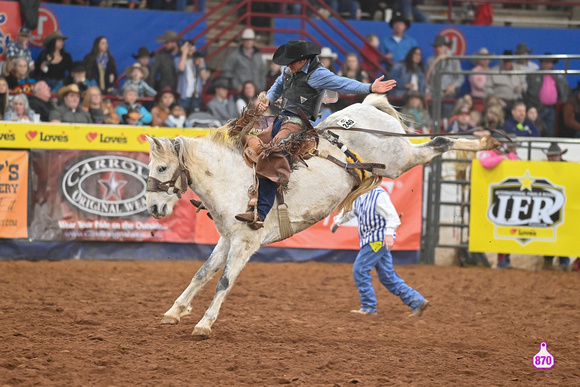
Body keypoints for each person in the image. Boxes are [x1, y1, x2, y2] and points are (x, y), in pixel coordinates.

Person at [234, 39, 396, 229]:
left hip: (297, 124)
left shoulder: (317, 74)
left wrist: (369, 88)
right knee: (246, 145)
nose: (287, 65)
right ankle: (232, 199)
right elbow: (278, 84)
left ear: (303, 60)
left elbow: (341, 84)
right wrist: (269, 99)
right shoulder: (289, 70)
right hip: (280, 120)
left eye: (291, 61)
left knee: (271, 155)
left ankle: (260, 213)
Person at [331, 186, 430, 316]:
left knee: (360, 269)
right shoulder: (358, 195)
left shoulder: (378, 195)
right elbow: (350, 211)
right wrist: (339, 221)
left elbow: (392, 216)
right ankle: (416, 301)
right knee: (387, 276)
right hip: (375, 240)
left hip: (377, 241)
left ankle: (368, 307)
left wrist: (389, 234)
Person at [477, 130, 518, 269]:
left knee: (506, 227)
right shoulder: (489, 153)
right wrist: (503, 159)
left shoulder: (511, 156)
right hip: (489, 197)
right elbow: (484, 162)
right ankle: (499, 259)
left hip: (506, 196)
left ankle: (504, 258)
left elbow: (517, 165)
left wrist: (507, 157)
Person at [540, 142, 571, 271]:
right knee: (549, 231)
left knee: (564, 231)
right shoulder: (543, 169)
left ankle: (564, 260)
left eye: (555, 156)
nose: (552, 158)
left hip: (565, 206)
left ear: (560, 156)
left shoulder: (569, 169)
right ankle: (549, 259)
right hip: (548, 206)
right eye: (550, 156)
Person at [524, 54, 569, 137]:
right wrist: (531, 104)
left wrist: (562, 100)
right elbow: (528, 90)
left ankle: (549, 147)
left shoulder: (558, 75)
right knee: (536, 127)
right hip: (537, 107)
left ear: (553, 64)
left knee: (550, 129)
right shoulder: (533, 75)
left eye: (549, 62)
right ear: (541, 63)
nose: (547, 64)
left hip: (552, 107)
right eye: (545, 62)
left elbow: (565, 88)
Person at [485, 50, 526, 114]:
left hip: (515, 102)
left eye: (509, 61)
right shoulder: (494, 70)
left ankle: (519, 124)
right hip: (500, 103)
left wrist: (521, 87)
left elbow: (524, 83)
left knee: (518, 122)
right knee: (501, 121)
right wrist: (497, 100)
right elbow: (487, 88)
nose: (507, 64)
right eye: (505, 61)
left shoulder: (518, 69)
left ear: (512, 61)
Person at [426, 35, 464, 102]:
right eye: (436, 47)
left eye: (440, 46)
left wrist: (453, 86)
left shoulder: (454, 61)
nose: (438, 49)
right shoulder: (430, 61)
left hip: (449, 94)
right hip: (434, 94)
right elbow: (427, 78)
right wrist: (429, 91)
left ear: (446, 47)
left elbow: (461, 77)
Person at [175, 40, 206, 114]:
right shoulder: (178, 59)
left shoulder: (197, 60)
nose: (190, 48)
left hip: (196, 96)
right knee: (183, 117)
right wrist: (184, 53)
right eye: (187, 46)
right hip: (184, 96)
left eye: (192, 46)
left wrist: (201, 64)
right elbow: (181, 68)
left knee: (195, 117)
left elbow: (204, 78)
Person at [468, 47, 492, 112]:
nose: (485, 60)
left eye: (487, 58)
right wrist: (490, 85)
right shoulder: (474, 71)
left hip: (490, 100)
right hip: (478, 101)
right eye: (483, 57)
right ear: (478, 59)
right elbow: (480, 86)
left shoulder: (491, 71)